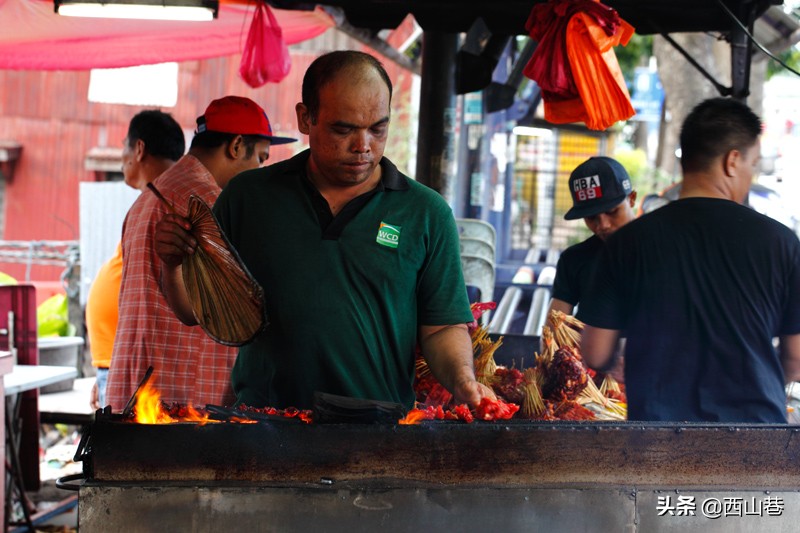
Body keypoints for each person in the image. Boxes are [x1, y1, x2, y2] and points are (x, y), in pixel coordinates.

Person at [154, 50, 496, 410]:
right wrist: (175, 264)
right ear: (306, 118)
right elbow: (196, 309)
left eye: (377, 129)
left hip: (379, 432)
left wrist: (463, 380)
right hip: (265, 427)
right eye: (343, 129)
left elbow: (442, 327)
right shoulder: (249, 197)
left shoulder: (425, 213)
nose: (363, 146)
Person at [579, 97, 800, 422]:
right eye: (752, 165)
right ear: (732, 161)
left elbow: (595, 352)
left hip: (658, 443)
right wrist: (761, 384)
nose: (750, 176)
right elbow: (795, 359)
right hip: (757, 443)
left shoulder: (628, 242)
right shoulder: (783, 243)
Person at [105, 96, 296, 412]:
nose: (259, 171)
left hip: (134, 388)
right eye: (260, 159)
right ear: (235, 147)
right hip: (180, 399)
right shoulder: (211, 202)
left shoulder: (149, 196)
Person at [87, 110, 185, 411]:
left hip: (140, 371)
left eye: (124, 146)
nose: (122, 156)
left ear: (139, 149)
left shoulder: (169, 203)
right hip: (118, 363)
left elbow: (154, 301)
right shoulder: (149, 202)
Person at [547, 156, 637, 316]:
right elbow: (554, 335)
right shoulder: (575, 259)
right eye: (591, 217)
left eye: (612, 212)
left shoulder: (664, 251)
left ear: (631, 199)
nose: (603, 225)